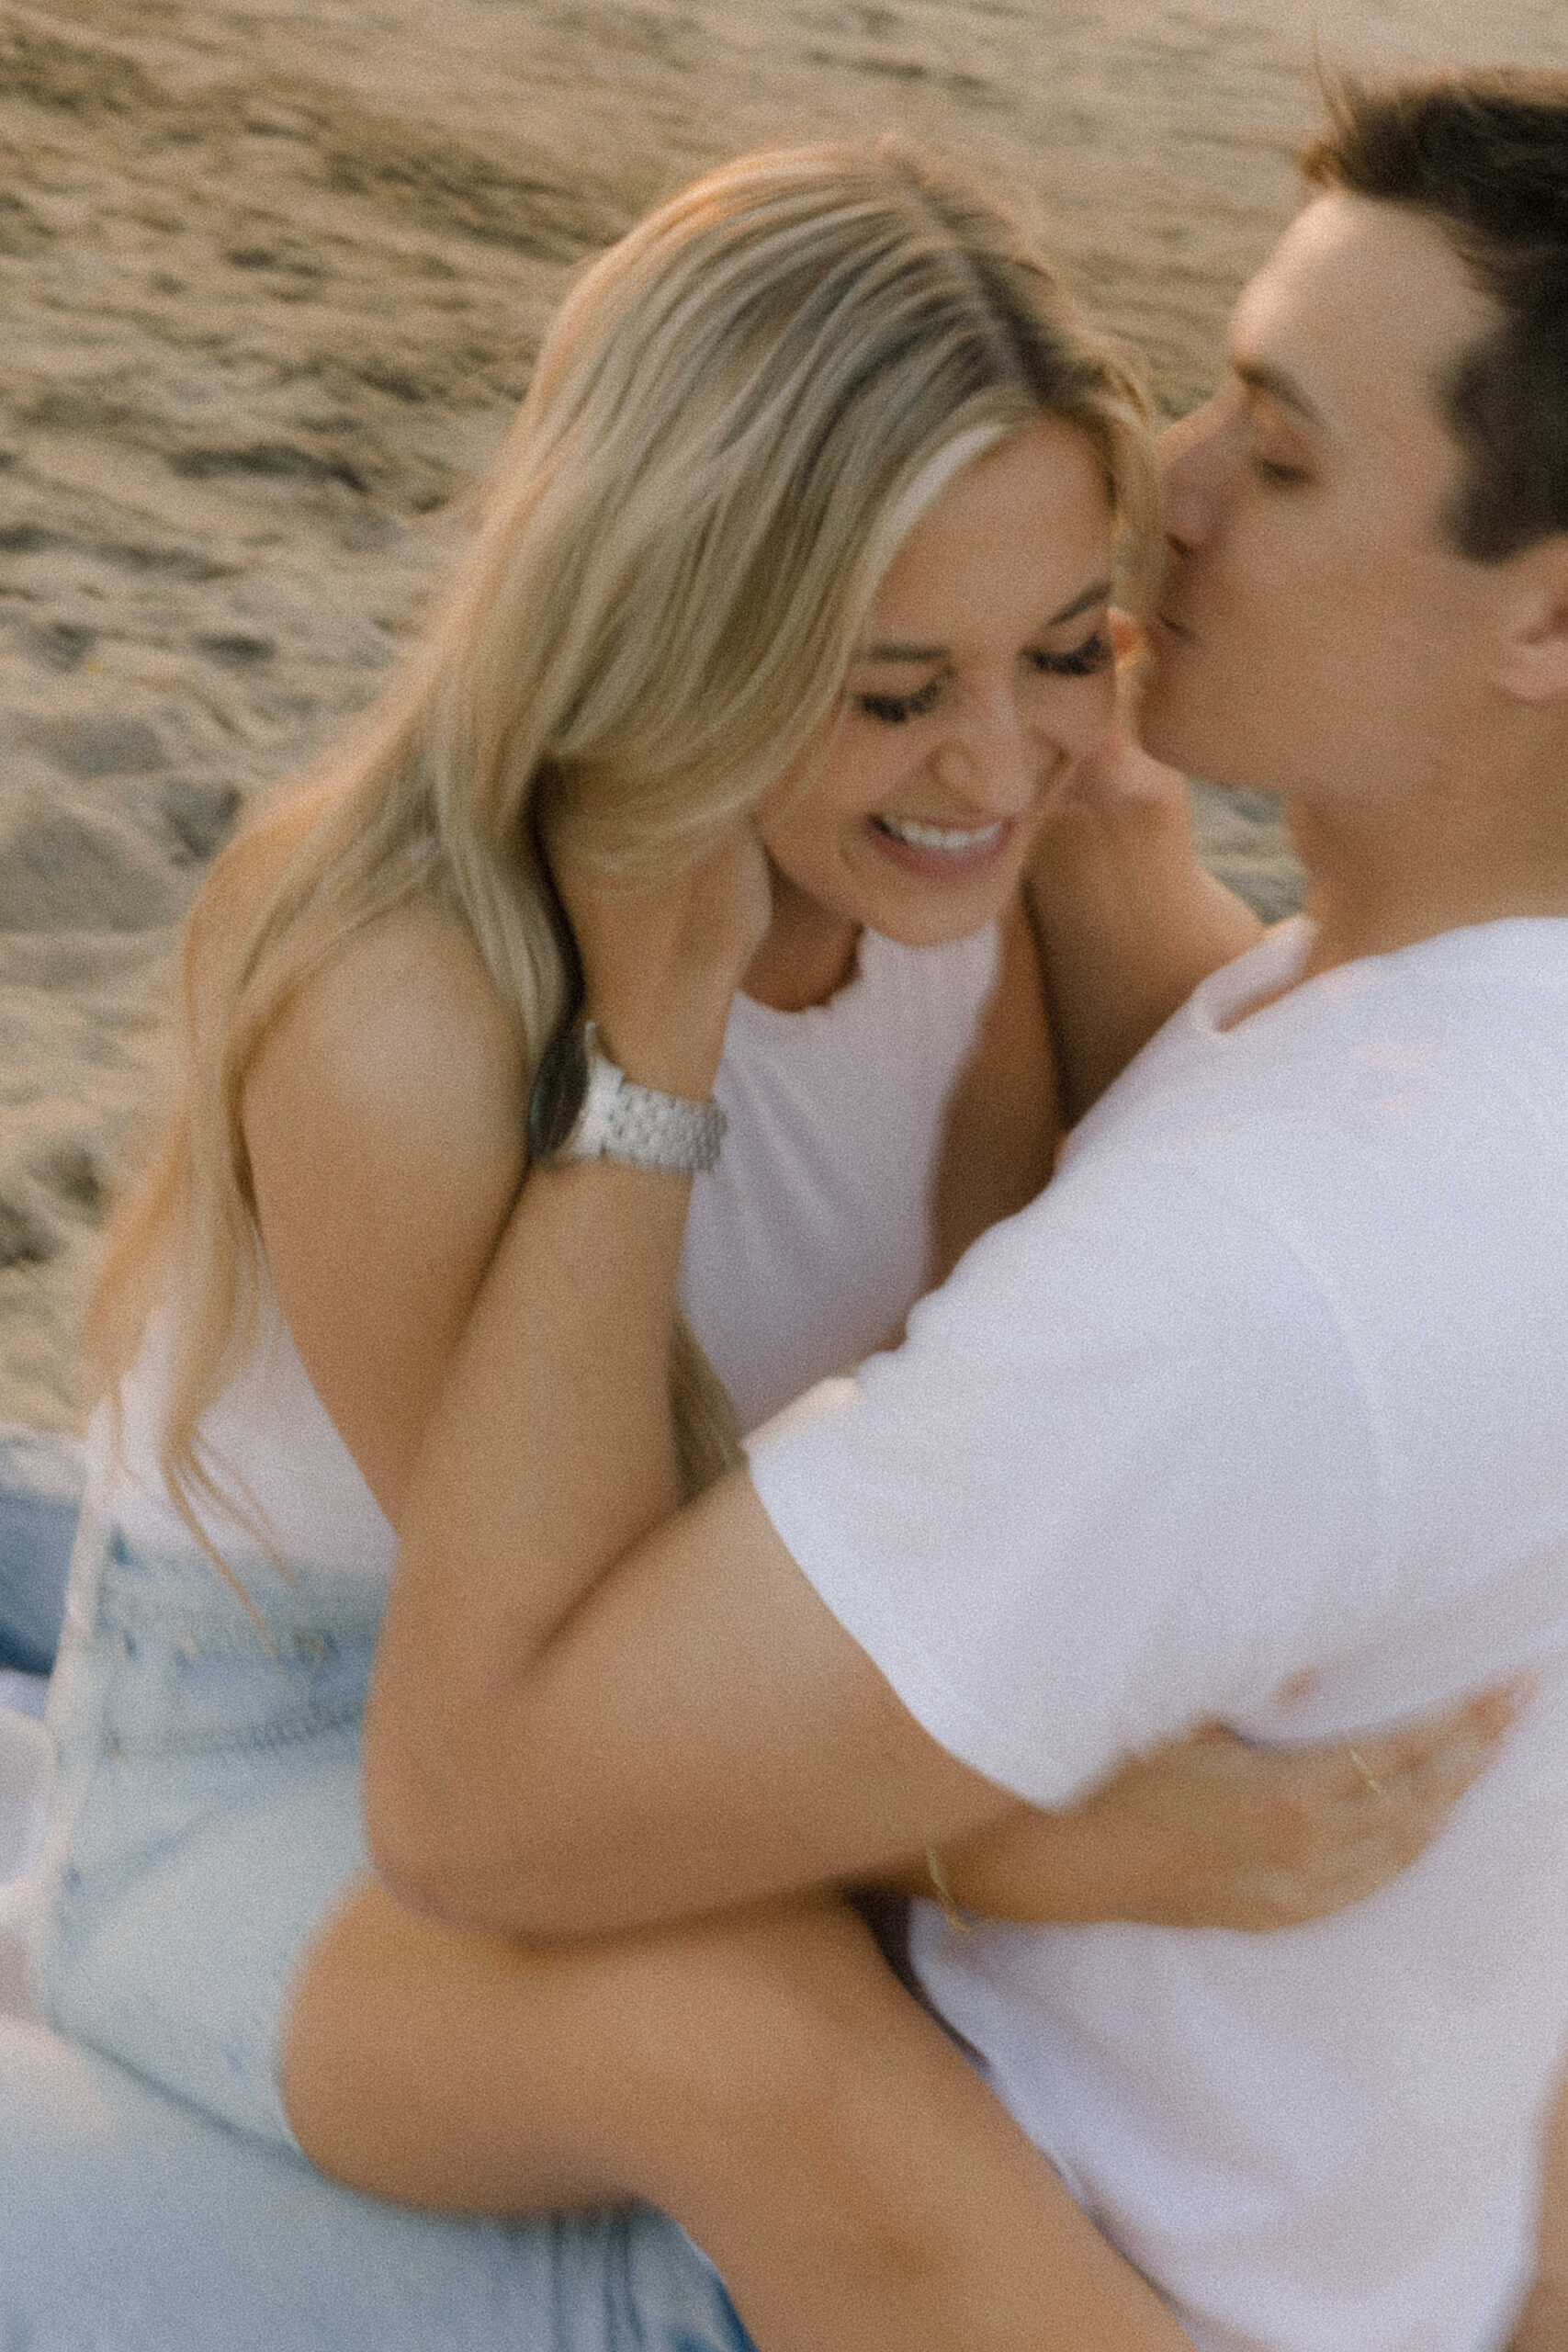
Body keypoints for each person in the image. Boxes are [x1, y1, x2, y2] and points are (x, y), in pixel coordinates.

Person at [6, 134, 1503, 2352]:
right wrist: (659, 1032)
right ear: (681, 629)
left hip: (699, 1686)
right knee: (777, 2065)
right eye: (890, 690)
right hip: (299, 1751)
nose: (992, 764)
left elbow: (1120, 1255)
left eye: (1061, 645)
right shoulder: (400, 997)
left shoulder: (1005, 850)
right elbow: (538, 1711)